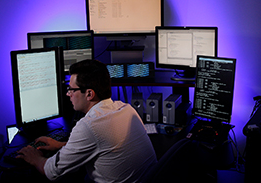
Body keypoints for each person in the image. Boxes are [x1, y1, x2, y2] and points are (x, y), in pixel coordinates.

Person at [17, 59, 157, 182]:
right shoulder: (127, 109)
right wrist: (62, 145)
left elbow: (51, 172)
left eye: (71, 89)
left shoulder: (89, 126)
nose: (68, 94)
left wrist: (35, 157)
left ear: (89, 94)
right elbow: (105, 143)